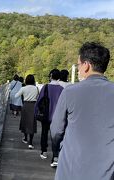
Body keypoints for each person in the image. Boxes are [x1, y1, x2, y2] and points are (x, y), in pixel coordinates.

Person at [51, 42, 114, 180]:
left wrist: (59, 147)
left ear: (86, 65)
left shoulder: (70, 92)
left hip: (71, 168)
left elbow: (56, 130)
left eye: (78, 65)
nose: (78, 69)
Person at [34, 69, 63, 166]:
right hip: (57, 117)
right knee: (56, 136)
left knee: (44, 133)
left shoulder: (45, 87)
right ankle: (55, 157)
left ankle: (44, 152)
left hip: (46, 115)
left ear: (50, 76)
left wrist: (35, 113)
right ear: (59, 77)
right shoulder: (62, 89)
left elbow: (39, 101)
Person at [15, 74, 39, 149]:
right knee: (32, 123)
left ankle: (25, 138)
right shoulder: (36, 88)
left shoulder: (23, 88)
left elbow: (16, 96)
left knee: (25, 122)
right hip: (33, 106)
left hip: (26, 105)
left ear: (26, 80)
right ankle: (31, 143)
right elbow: (38, 97)